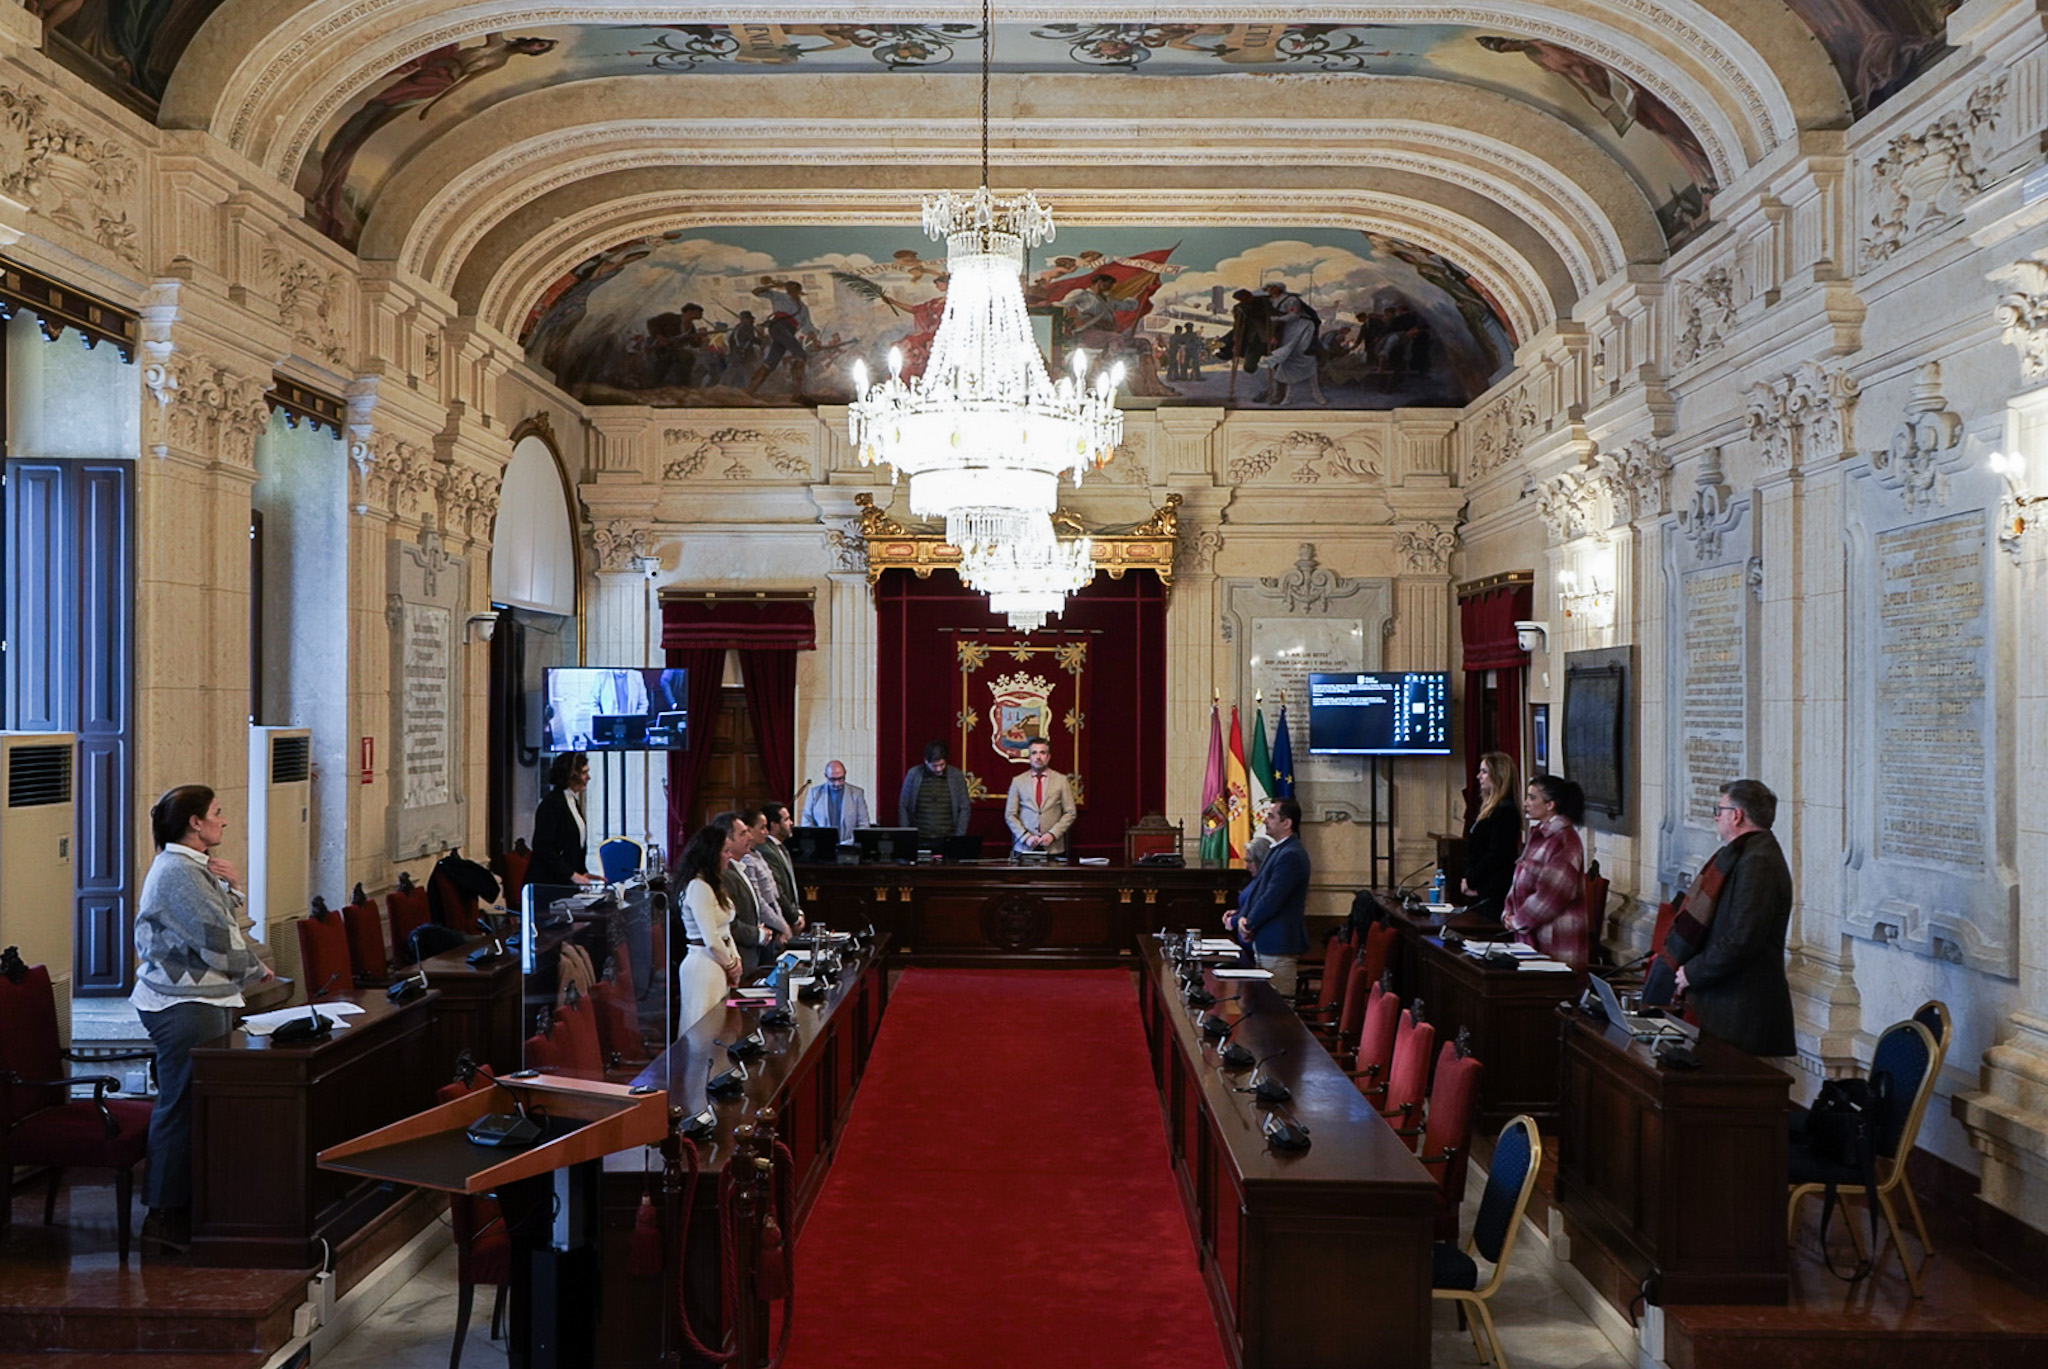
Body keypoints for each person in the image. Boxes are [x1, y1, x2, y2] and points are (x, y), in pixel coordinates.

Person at [131, 785, 273, 1253]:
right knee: (182, 1106)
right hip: (184, 1003)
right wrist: (256, 969)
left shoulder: (192, 867)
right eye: (217, 812)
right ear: (195, 822)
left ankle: (190, 1207)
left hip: (202, 998)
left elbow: (214, 922)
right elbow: (216, 941)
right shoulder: (177, 871)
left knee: (197, 1105)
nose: (224, 820)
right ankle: (164, 1216)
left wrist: (231, 887)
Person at [1671, 780, 1796, 1057]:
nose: (1716, 817)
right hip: (1725, 1007)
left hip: (1742, 1013)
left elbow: (1742, 939)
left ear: (1737, 815)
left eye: (1720, 810)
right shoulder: (1746, 853)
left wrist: (1692, 972)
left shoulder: (1759, 862)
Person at [1221, 798, 1310, 996]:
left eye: (1271, 816)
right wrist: (1243, 918)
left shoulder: (1291, 854)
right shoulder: (1277, 850)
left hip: (1279, 943)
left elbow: (1272, 898)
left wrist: (1248, 923)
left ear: (1287, 823)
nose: (1265, 820)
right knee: (1262, 1004)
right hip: (1265, 942)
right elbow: (1258, 892)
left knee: (1278, 1008)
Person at [1501, 773, 1589, 972]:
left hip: (1555, 941)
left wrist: (1518, 920)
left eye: (1532, 798)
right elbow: (1520, 878)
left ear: (1550, 805)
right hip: (1529, 935)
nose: (1526, 803)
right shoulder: (1539, 834)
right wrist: (1508, 912)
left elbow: (1552, 894)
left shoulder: (1565, 839)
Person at [674, 816, 745, 1031]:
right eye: (725, 851)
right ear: (711, 854)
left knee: (720, 1030)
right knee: (703, 1031)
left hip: (718, 964)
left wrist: (735, 960)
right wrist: (731, 966)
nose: (729, 856)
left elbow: (725, 931)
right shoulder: (698, 887)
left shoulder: (713, 885)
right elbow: (711, 939)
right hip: (703, 966)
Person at [1460, 751, 1523, 922]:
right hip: (1481, 888)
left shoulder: (1506, 811)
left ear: (1498, 775)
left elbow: (1498, 855)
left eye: (1484, 772)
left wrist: (1472, 880)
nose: (1478, 776)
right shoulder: (1491, 809)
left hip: (1492, 893)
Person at [529, 751, 598, 887]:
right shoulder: (552, 803)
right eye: (584, 773)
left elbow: (573, 847)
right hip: (548, 883)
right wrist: (571, 874)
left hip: (564, 882)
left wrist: (582, 872)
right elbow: (543, 847)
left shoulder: (573, 802)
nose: (588, 777)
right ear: (571, 775)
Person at [1003, 736, 1077, 855]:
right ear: (1029, 757)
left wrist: (1053, 834)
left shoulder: (1062, 781)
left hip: (1053, 848)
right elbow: (1010, 815)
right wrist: (1025, 837)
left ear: (1048, 757)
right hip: (1024, 847)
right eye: (1034, 753)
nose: (1038, 757)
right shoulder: (1018, 781)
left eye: (1042, 753)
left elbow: (1070, 813)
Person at [898, 739, 970, 841]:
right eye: (935, 766)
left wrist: (959, 837)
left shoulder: (956, 776)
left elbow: (964, 808)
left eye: (942, 765)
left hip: (948, 837)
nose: (939, 769)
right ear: (926, 761)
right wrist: (906, 834)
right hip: (920, 837)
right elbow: (903, 805)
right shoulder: (913, 774)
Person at [758, 802, 807, 929]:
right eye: (786, 819)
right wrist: (794, 917)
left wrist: (798, 912)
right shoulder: (767, 851)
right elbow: (778, 890)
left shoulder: (781, 848)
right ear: (774, 825)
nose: (791, 823)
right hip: (777, 923)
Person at [799, 760, 872, 842]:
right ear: (826, 776)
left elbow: (864, 826)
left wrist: (848, 843)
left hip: (849, 846)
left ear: (845, 773)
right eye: (832, 779)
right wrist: (818, 840)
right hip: (821, 845)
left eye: (841, 779)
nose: (837, 783)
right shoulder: (814, 793)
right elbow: (806, 823)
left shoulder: (857, 794)